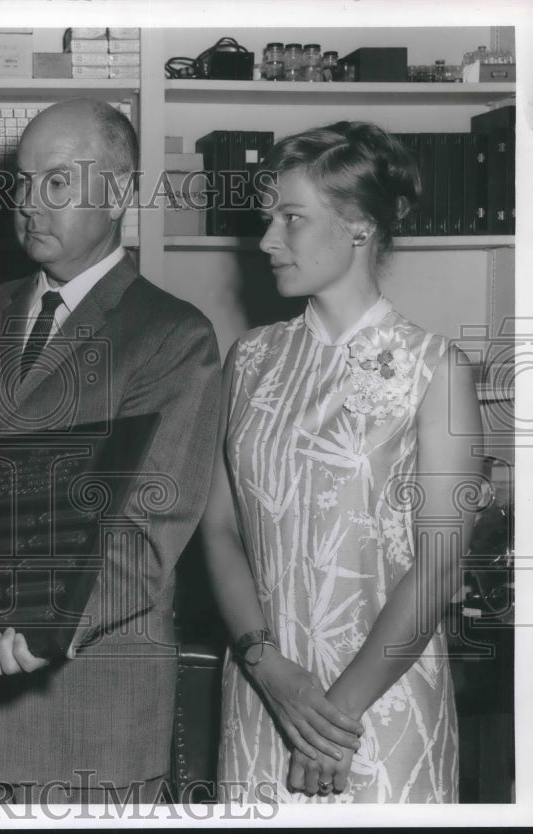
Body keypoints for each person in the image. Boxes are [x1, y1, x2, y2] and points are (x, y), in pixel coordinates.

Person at [0, 98, 222, 803]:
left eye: (58, 183)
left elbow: (147, 531)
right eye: (21, 182)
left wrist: (42, 625)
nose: (30, 204)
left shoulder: (172, 336)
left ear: (122, 193)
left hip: (85, 717)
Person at [200, 121, 484, 803]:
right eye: (269, 216)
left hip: (375, 714)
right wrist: (269, 669)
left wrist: (334, 718)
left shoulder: (434, 369)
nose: (267, 239)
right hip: (262, 695)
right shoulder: (252, 358)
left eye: (291, 218)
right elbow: (219, 530)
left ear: (358, 225)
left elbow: (441, 565)